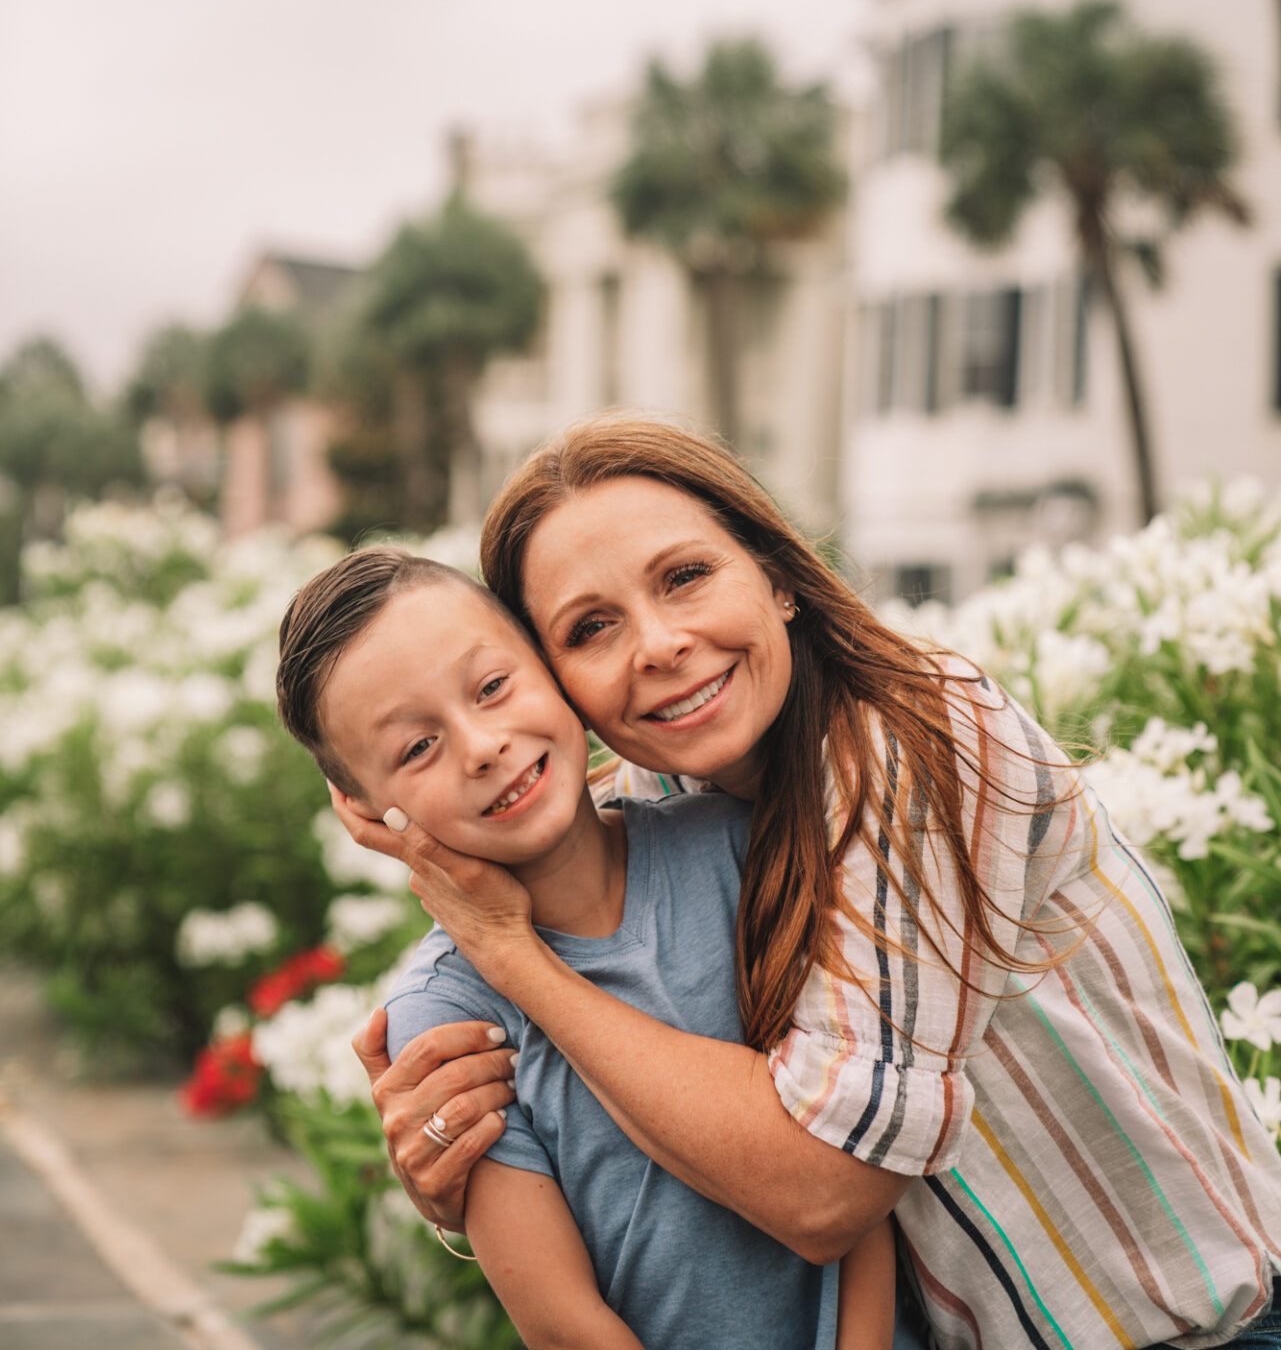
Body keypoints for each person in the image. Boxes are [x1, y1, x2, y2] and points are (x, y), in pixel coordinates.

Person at [336, 413, 1281, 1350]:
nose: (657, 645)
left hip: (1201, 1336)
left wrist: (511, 956)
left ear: (778, 577)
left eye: (685, 577)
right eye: (591, 628)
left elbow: (828, 1188)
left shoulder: (916, 741)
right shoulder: (668, 794)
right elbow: (652, 1113)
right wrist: (457, 1160)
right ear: (558, 679)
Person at [275, 544, 901, 1350]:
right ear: (363, 806)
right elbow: (566, 1326)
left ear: (549, 666)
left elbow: (854, 1176)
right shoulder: (442, 1019)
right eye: (415, 748)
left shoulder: (741, 849)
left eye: (493, 687)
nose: (481, 746)